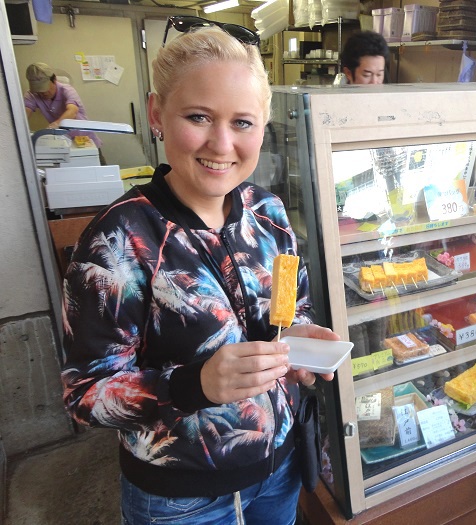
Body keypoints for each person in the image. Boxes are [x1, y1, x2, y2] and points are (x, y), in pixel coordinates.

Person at [60, 20, 340, 525]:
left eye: (243, 123)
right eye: (198, 116)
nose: (221, 143)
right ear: (156, 114)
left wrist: (298, 339)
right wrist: (195, 385)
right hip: (180, 498)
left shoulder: (270, 215)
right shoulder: (117, 241)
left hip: (278, 469)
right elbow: (86, 396)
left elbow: (288, 309)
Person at [23, 62, 103, 150]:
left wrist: (55, 125)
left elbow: (72, 111)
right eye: (38, 91)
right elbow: (24, 114)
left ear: (54, 80)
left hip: (86, 140)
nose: (43, 93)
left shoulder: (67, 90)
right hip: (63, 142)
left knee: (97, 161)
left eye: (45, 88)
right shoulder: (32, 94)